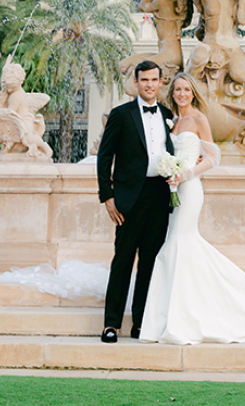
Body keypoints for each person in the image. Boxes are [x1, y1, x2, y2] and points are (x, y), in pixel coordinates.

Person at [140, 72, 245, 344]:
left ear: (193, 93)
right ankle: (172, 317)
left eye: (186, 90)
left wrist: (187, 173)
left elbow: (213, 157)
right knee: (177, 245)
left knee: (180, 241)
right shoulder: (172, 120)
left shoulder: (199, 119)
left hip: (189, 189)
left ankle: (186, 318)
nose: (181, 94)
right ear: (173, 92)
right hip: (171, 189)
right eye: (177, 89)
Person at [96, 60, 174, 343]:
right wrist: (107, 196)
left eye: (154, 80)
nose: (149, 85)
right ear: (136, 82)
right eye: (144, 80)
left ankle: (141, 323)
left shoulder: (168, 115)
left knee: (149, 263)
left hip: (159, 196)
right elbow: (104, 157)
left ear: (160, 82)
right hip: (129, 198)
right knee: (123, 260)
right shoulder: (121, 114)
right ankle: (111, 324)